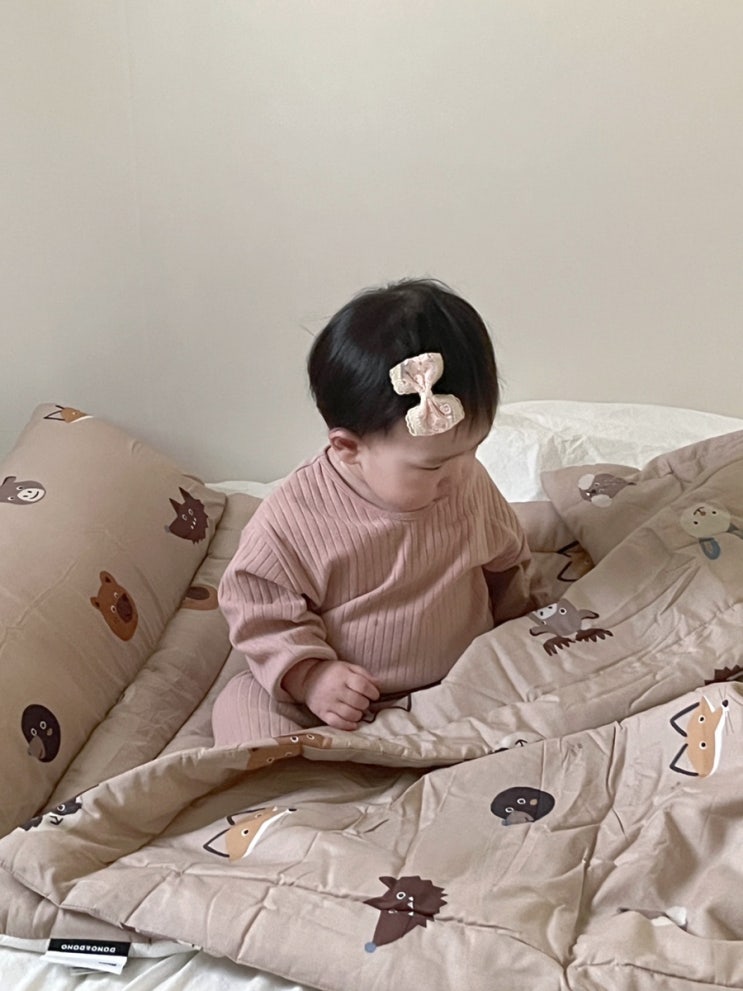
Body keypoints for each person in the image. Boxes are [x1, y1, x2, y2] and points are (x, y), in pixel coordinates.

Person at [212, 278, 536, 746]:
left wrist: (520, 625)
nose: (461, 474)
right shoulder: (292, 522)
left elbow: (506, 562)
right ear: (348, 448)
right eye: (434, 465)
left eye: (474, 449)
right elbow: (259, 611)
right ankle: (305, 784)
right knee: (242, 706)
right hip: (346, 704)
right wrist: (311, 677)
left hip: (462, 684)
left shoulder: (466, 483)